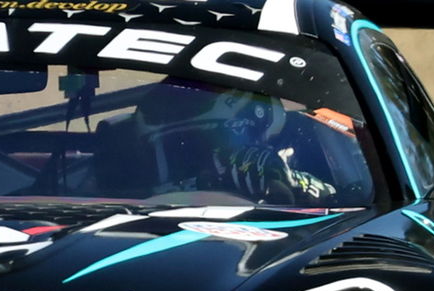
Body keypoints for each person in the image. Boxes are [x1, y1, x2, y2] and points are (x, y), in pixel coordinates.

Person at [128, 80, 340, 204]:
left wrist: (293, 183)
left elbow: (345, 201)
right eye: (176, 150)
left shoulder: (321, 154)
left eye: (200, 146)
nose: (195, 163)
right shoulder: (118, 186)